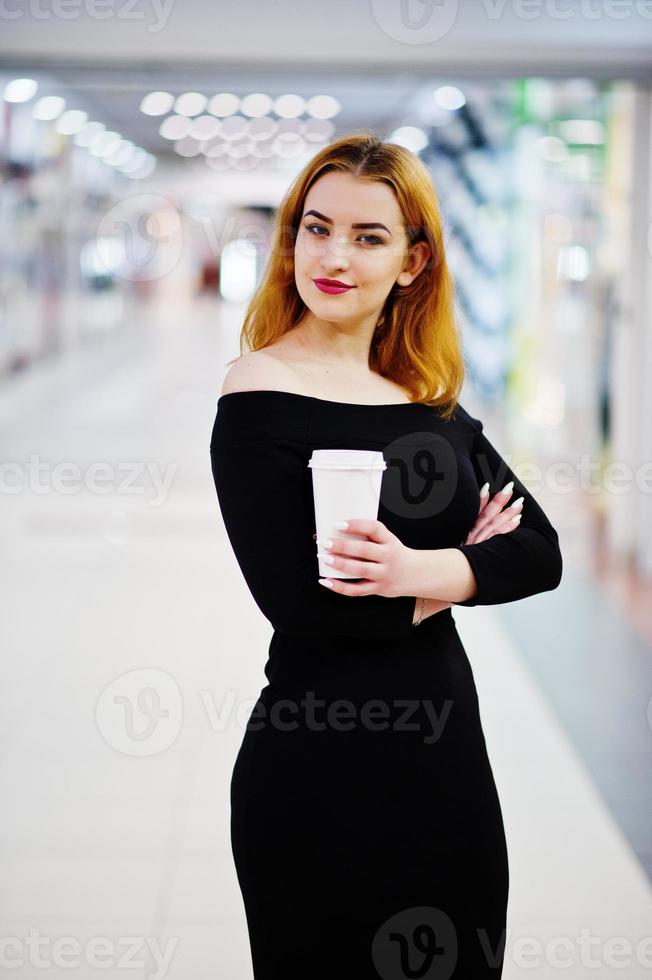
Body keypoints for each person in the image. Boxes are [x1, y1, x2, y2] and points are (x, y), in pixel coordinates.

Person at [209, 132, 563, 979]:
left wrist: (411, 575)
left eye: (369, 237)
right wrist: (463, 569)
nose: (334, 256)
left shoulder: (428, 401)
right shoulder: (256, 394)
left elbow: (541, 551)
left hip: (445, 764)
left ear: (412, 263)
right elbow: (304, 605)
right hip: (314, 764)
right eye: (316, 227)